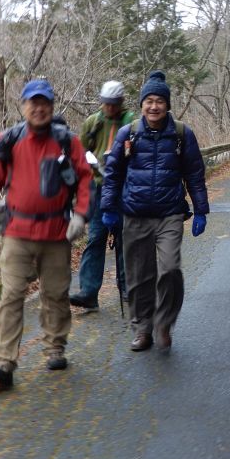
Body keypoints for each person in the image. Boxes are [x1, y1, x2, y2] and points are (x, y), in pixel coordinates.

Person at [0, 79, 92, 390]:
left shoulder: (67, 142)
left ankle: (55, 347)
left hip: (56, 233)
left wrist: (81, 215)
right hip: (17, 232)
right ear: (23, 106)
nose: (38, 108)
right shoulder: (7, 141)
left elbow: (84, 180)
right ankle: (3, 362)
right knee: (11, 295)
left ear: (52, 107)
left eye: (44, 103)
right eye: (32, 102)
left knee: (55, 293)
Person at [100, 70, 209, 352]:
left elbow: (195, 174)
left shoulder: (182, 134)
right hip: (134, 213)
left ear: (168, 104)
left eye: (159, 100)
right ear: (141, 104)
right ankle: (142, 329)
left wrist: (200, 210)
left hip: (169, 213)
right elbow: (113, 173)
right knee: (138, 276)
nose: (154, 106)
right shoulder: (129, 134)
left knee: (170, 269)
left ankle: (164, 322)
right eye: (148, 100)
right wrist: (109, 208)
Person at [69, 80, 136, 314]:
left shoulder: (131, 122)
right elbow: (79, 151)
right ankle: (88, 292)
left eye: (114, 104)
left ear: (120, 103)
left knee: (124, 238)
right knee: (96, 238)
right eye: (106, 104)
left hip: (124, 187)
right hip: (98, 186)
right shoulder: (93, 122)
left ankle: (128, 287)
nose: (109, 108)